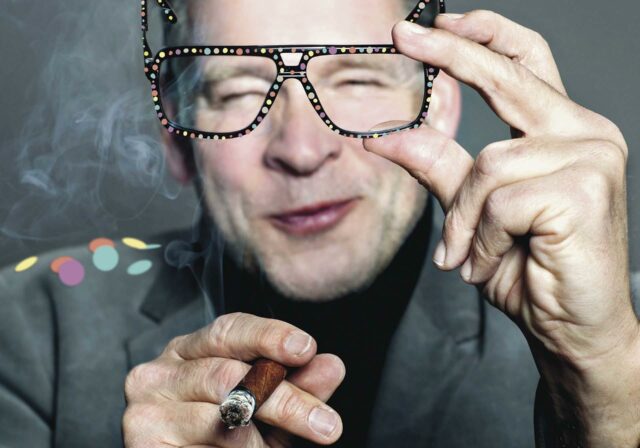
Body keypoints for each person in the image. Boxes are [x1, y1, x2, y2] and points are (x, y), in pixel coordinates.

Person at [1, 0, 638, 447]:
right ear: (176, 135)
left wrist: (603, 388)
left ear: (437, 104)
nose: (302, 151)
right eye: (238, 91)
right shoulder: (29, 338)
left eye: (356, 77)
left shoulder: (619, 337)